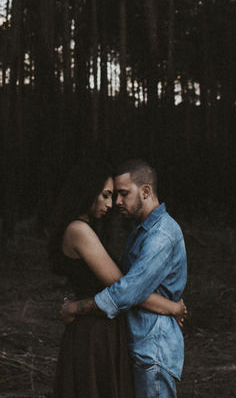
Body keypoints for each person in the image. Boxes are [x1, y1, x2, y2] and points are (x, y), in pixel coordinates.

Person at [49, 162, 187, 398]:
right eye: (107, 195)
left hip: (131, 339)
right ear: (87, 191)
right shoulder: (82, 230)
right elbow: (123, 287)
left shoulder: (157, 233)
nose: (112, 203)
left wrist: (77, 306)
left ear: (146, 191)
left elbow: (127, 288)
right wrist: (172, 307)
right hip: (98, 335)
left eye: (120, 194)